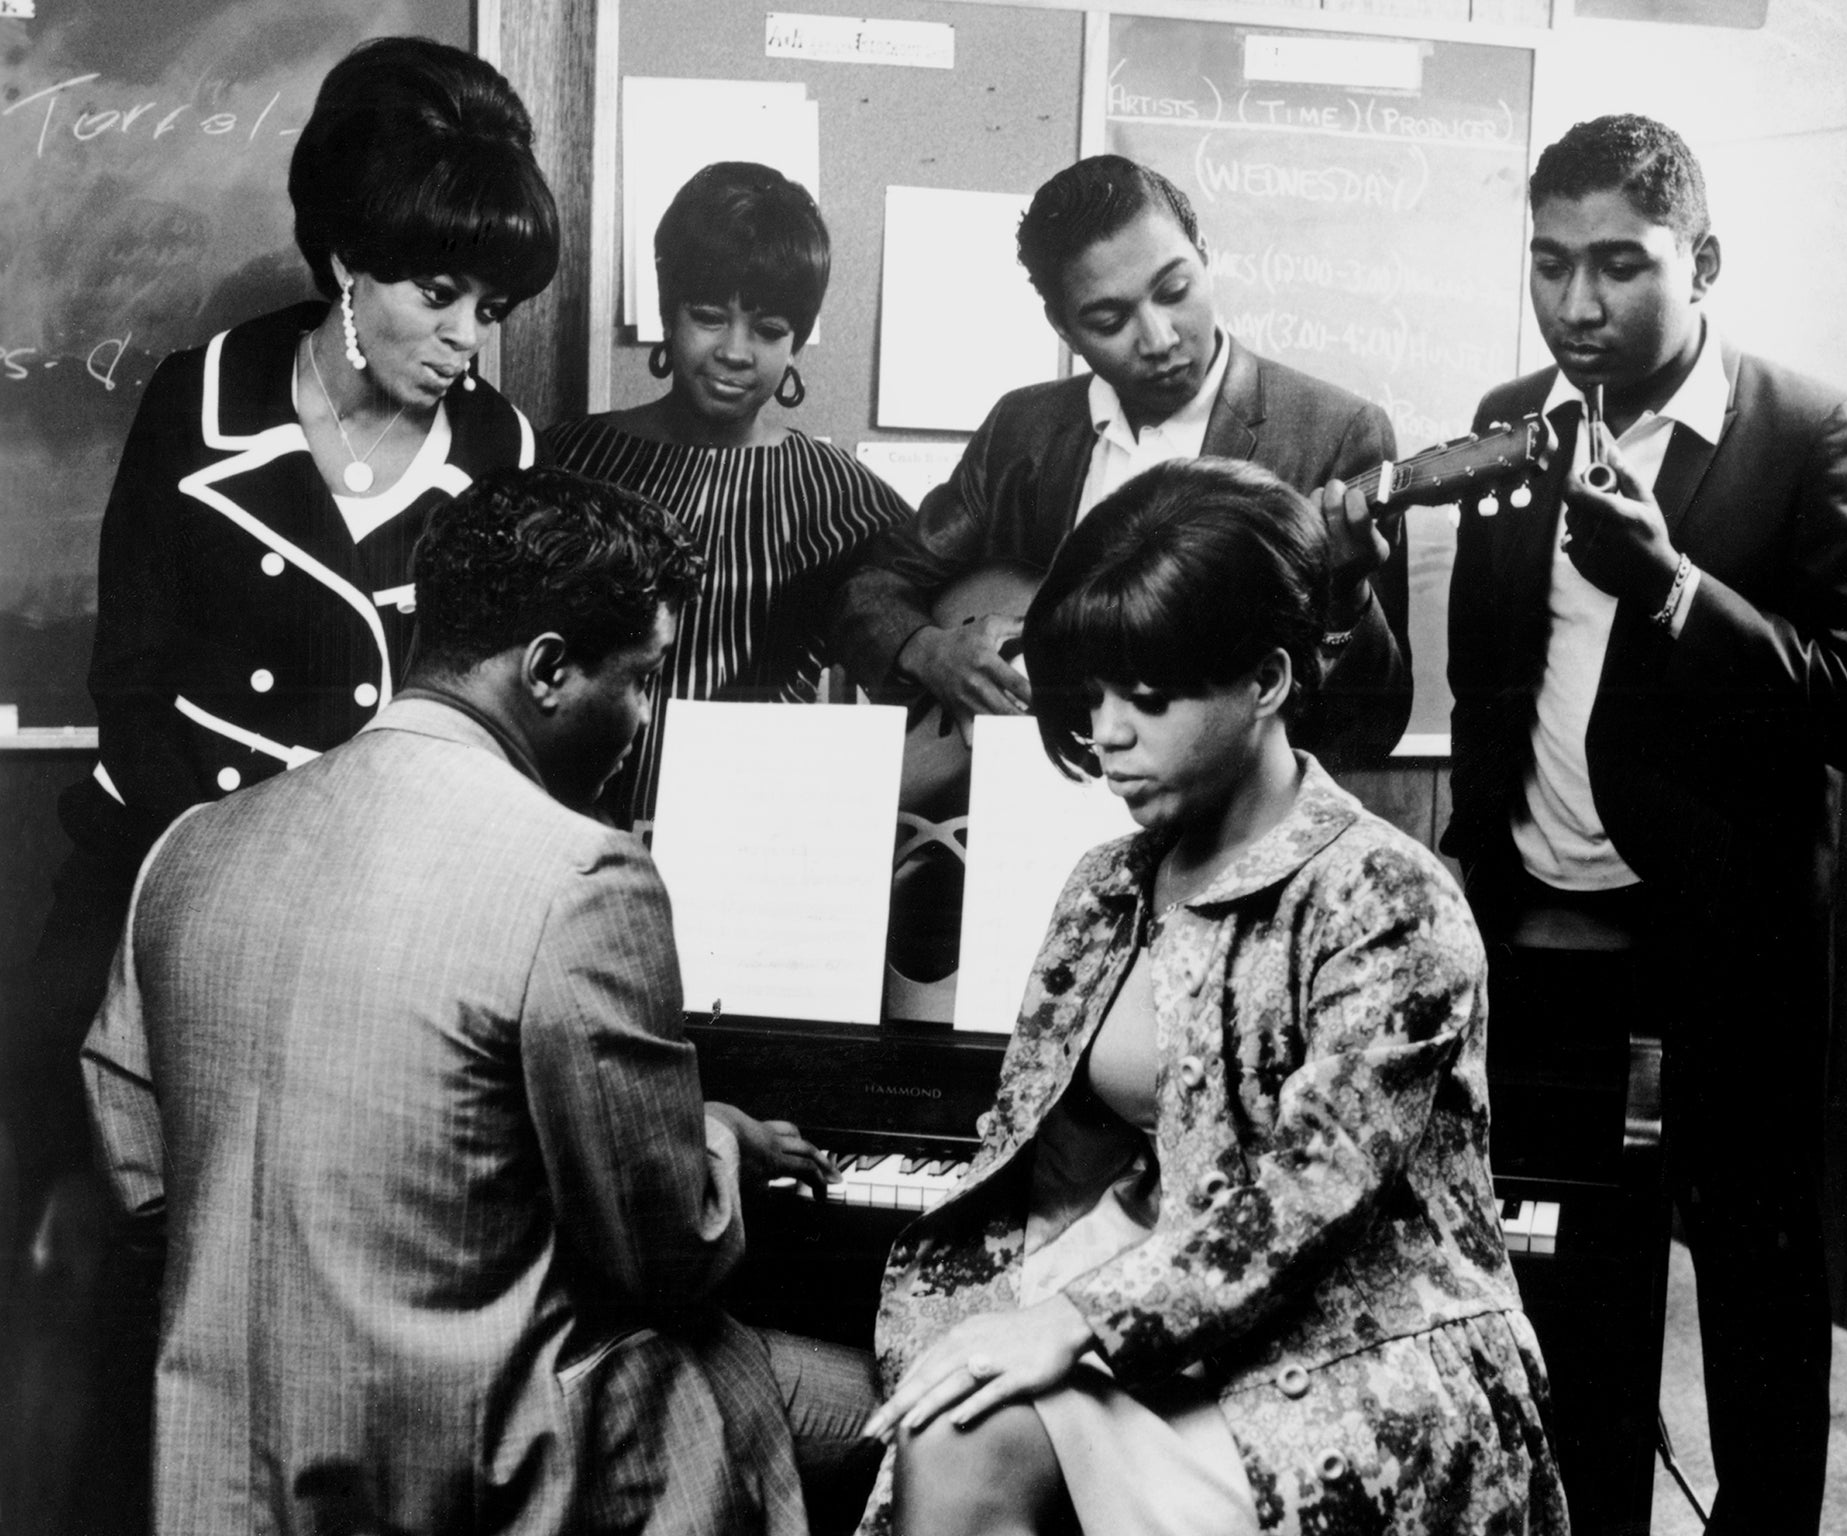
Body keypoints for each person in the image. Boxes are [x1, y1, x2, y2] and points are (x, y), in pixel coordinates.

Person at [79, 466, 881, 1536]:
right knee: (900, 1411)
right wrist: (716, 1145)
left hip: (231, 1465)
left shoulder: (187, 850)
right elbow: (661, 1255)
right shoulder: (581, 877)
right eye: (641, 678)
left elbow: (144, 1180)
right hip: (484, 1469)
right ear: (548, 669)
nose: (642, 719)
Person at [7, 36, 560, 1534]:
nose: (463, 340)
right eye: (433, 294)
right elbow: (133, 699)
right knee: (97, 1234)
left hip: (389, 921)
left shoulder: (500, 447)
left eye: (491, 309)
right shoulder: (200, 399)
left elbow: (487, 725)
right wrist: (260, 893)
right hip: (167, 882)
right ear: (343, 262)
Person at [854, 458, 1566, 1536]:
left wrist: (1073, 1322)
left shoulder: (1387, 897)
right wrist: (1008, 1301)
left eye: (1146, 697)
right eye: (1086, 697)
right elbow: (1039, 1145)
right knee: (948, 1434)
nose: (1106, 736)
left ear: (1267, 679)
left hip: (1350, 1335)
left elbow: (1311, 1197)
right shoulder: (1105, 881)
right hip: (1137, 1271)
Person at [1443, 115, 1847, 1535]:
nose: (1577, 305)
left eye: (1617, 267)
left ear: (1701, 261)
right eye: (1548, 265)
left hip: (1727, 943)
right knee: (1569, 1280)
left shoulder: (1817, 430)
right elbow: (1496, 677)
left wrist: (1669, 590)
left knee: (1758, 1289)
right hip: (1531, 925)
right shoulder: (1511, 412)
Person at [828, 154, 1413, 773]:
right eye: (1109, 320)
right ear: (1063, 326)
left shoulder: (1336, 435)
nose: (1159, 339)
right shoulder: (1023, 431)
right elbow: (869, 590)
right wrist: (929, 650)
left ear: (1204, 252)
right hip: (1025, 810)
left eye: (1175, 291)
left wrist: (1345, 601)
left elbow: (1369, 730)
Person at [547, 161, 912, 831]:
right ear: (667, 311)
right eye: (709, 317)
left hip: (745, 847)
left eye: (769, 330)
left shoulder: (843, 500)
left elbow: (922, 652)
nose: (736, 351)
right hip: (557, 825)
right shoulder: (564, 461)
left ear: (797, 340)